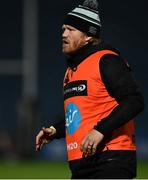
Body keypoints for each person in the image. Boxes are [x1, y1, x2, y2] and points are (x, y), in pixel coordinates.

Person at [36, 0, 144, 178]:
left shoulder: (107, 60)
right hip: (83, 164)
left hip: (110, 160)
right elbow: (81, 119)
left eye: (71, 30)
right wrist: (54, 131)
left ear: (88, 36)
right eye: (63, 29)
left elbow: (134, 101)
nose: (64, 34)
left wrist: (100, 130)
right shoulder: (71, 71)